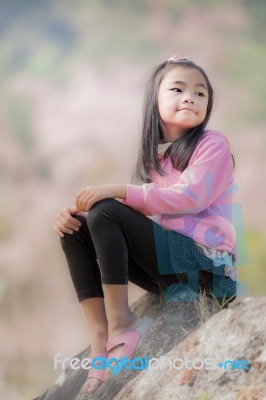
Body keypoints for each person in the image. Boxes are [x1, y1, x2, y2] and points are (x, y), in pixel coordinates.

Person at [54, 55, 238, 395]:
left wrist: (116, 193)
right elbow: (145, 217)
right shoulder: (160, 161)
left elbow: (190, 197)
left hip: (209, 269)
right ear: (154, 99)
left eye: (200, 93)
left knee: (107, 209)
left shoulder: (213, 145)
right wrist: (83, 214)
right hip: (172, 267)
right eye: (178, 89)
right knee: (78, 228)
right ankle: (100, 339)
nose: (190, 98)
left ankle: (124, 322)